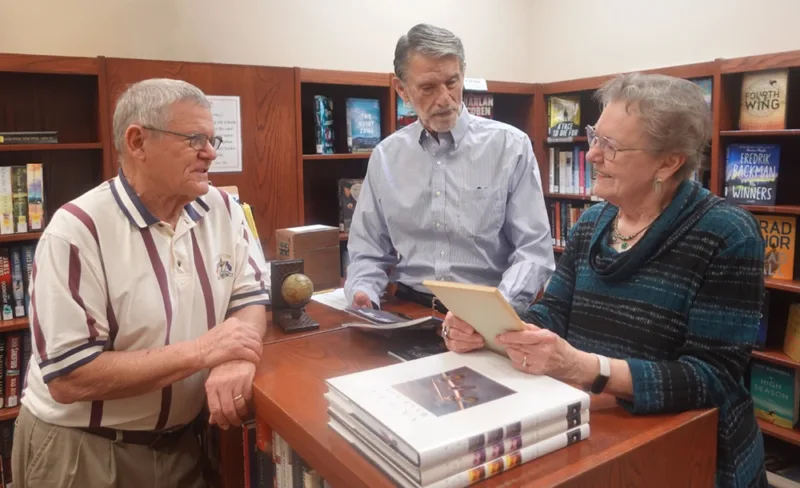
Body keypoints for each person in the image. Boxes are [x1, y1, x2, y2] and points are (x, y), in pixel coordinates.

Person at [442, 73, 768, 488]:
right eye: (595, 136)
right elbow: (553, 312)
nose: (591, 154)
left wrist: (586, 368)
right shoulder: (593, 221)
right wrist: (492, 330)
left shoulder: (728, 234)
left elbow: (712, 378)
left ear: (668, 162)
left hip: (689, 457)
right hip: (597, 434)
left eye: (610, 146)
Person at [12, 78, 271, 488]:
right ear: (137, 142)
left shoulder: (224, 209)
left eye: (212, 139)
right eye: (195, 139)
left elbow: (250, 299)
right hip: (84, 451)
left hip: (183, 446)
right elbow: (69, 376)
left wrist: (237, 357)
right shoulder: (77, 231)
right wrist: (204, 351)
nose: (211, 152)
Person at [344, 23, 555, 313]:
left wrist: (494, 312)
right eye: (428, 88)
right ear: (402, 89)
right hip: (409, 309)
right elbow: (367, 251)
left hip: (486, 312)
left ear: (463, 74)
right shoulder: (386, 157)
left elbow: (534, 252)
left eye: (452, 82)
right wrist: (363, 291)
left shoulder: (510, 147)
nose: (444, 99)